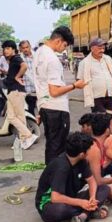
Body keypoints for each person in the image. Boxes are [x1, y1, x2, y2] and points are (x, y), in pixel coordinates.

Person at [35, 132, 111, 222]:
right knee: (60, 210)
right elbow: (55, 198)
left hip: (70, 197)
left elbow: (91, 181)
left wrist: (92, 197)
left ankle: (83, 216)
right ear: (82, 154)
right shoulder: (61, 167)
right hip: (49, 204)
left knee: (104, 189)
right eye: (89, 150)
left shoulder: (82, 161)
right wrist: (81, 203)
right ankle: (89, 212)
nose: (90, 152)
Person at [33, 26, 87, 164]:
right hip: (56, 109)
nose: (64, 49)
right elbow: (55, 91)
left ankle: (51, 178)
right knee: (58, 148)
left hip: (45, 105)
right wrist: (75, 85)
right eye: (65, 45)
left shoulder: (39, 53)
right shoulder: (52, 59)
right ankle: (55, 179)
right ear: (58, 40)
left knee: (51, 145)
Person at [77, 37, 112, 137]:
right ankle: (104, 144)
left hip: (110, 96)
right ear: (92, 48)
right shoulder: (84, 63)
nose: (102, 50)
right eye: (99, 47)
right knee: (102, 123)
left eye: (103, 47)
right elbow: (79, 80)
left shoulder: (108, 59)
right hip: (96, 98)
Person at [2, 40, 36, 149]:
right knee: (12, 117)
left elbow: (24, 66)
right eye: (4, 49)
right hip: (13, 91)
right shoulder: (12, 60)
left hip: (16, 91)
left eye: (8, 48)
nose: (5, 51)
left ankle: (27, 136)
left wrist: (17, 77)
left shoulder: (16, 58)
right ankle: (24, 138)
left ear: (13, 49)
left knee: (18, 116)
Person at [19, 40, 37, 116]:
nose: (25, 49)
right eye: (23, 48)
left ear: (30, 47)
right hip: (26, 88)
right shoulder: (19, 59)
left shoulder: (36, 56)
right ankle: (32, 126)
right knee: (30, 109)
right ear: (20, 49)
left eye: (27, 47)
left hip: (37, 87)